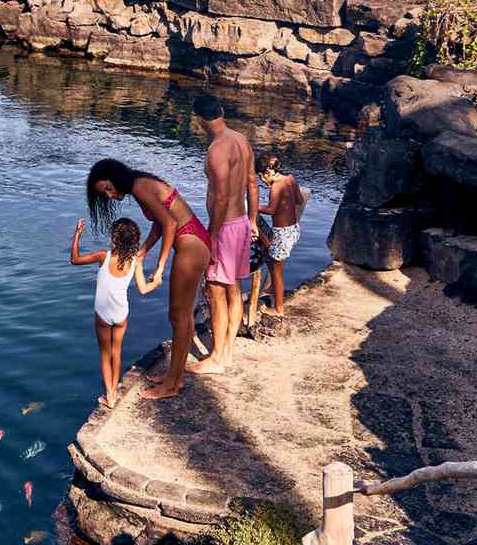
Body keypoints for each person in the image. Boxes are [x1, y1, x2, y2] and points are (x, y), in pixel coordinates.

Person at [84, 158, 211, 400]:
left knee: (179, 316)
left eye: (109, 188)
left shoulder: (140, 186)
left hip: (190, 243)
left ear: (116, 177)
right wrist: (144, 250)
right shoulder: (141, 183)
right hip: (192, 240)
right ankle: (174, 376)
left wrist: (161, 266)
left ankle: (173, 384)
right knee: (179, 316)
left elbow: (171, 223)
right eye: (105, 194)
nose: (110, 196)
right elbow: (160, 223)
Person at [187, 93, 256, 377]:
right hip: (241, 222)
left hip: (225, 228)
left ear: (200, 120)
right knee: (234, 289)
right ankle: (227, 352)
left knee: (215, 290)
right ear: (222, 111)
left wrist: (211, 238)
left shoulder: (217, 149)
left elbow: (221, 199)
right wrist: (252, 220)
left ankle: (216, 358)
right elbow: (251, 182)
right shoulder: (241, 139)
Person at [69, 216, 162, 407]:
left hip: (102, 314)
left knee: (105, 354)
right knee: (116, 352)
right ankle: (114, 391)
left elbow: (75, 260)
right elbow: (143, 289)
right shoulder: (135, 262)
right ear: (134, 241)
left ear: (114, 238)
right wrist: (157, 283)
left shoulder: (104, 256)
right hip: (121, 314)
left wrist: (77, 234)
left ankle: (110, 396)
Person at [256, 155, 309, 316]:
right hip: (293, 229)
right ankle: (273, 292)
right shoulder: (290, 179)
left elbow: (271, 210)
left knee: (277, 274)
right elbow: (299, 200)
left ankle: (278, 309)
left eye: (261, 176)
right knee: (268, 257)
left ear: (268, 172)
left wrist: (255, 207)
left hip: (282, 233)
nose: (262, 180)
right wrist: (286, 203)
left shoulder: (276, 186)